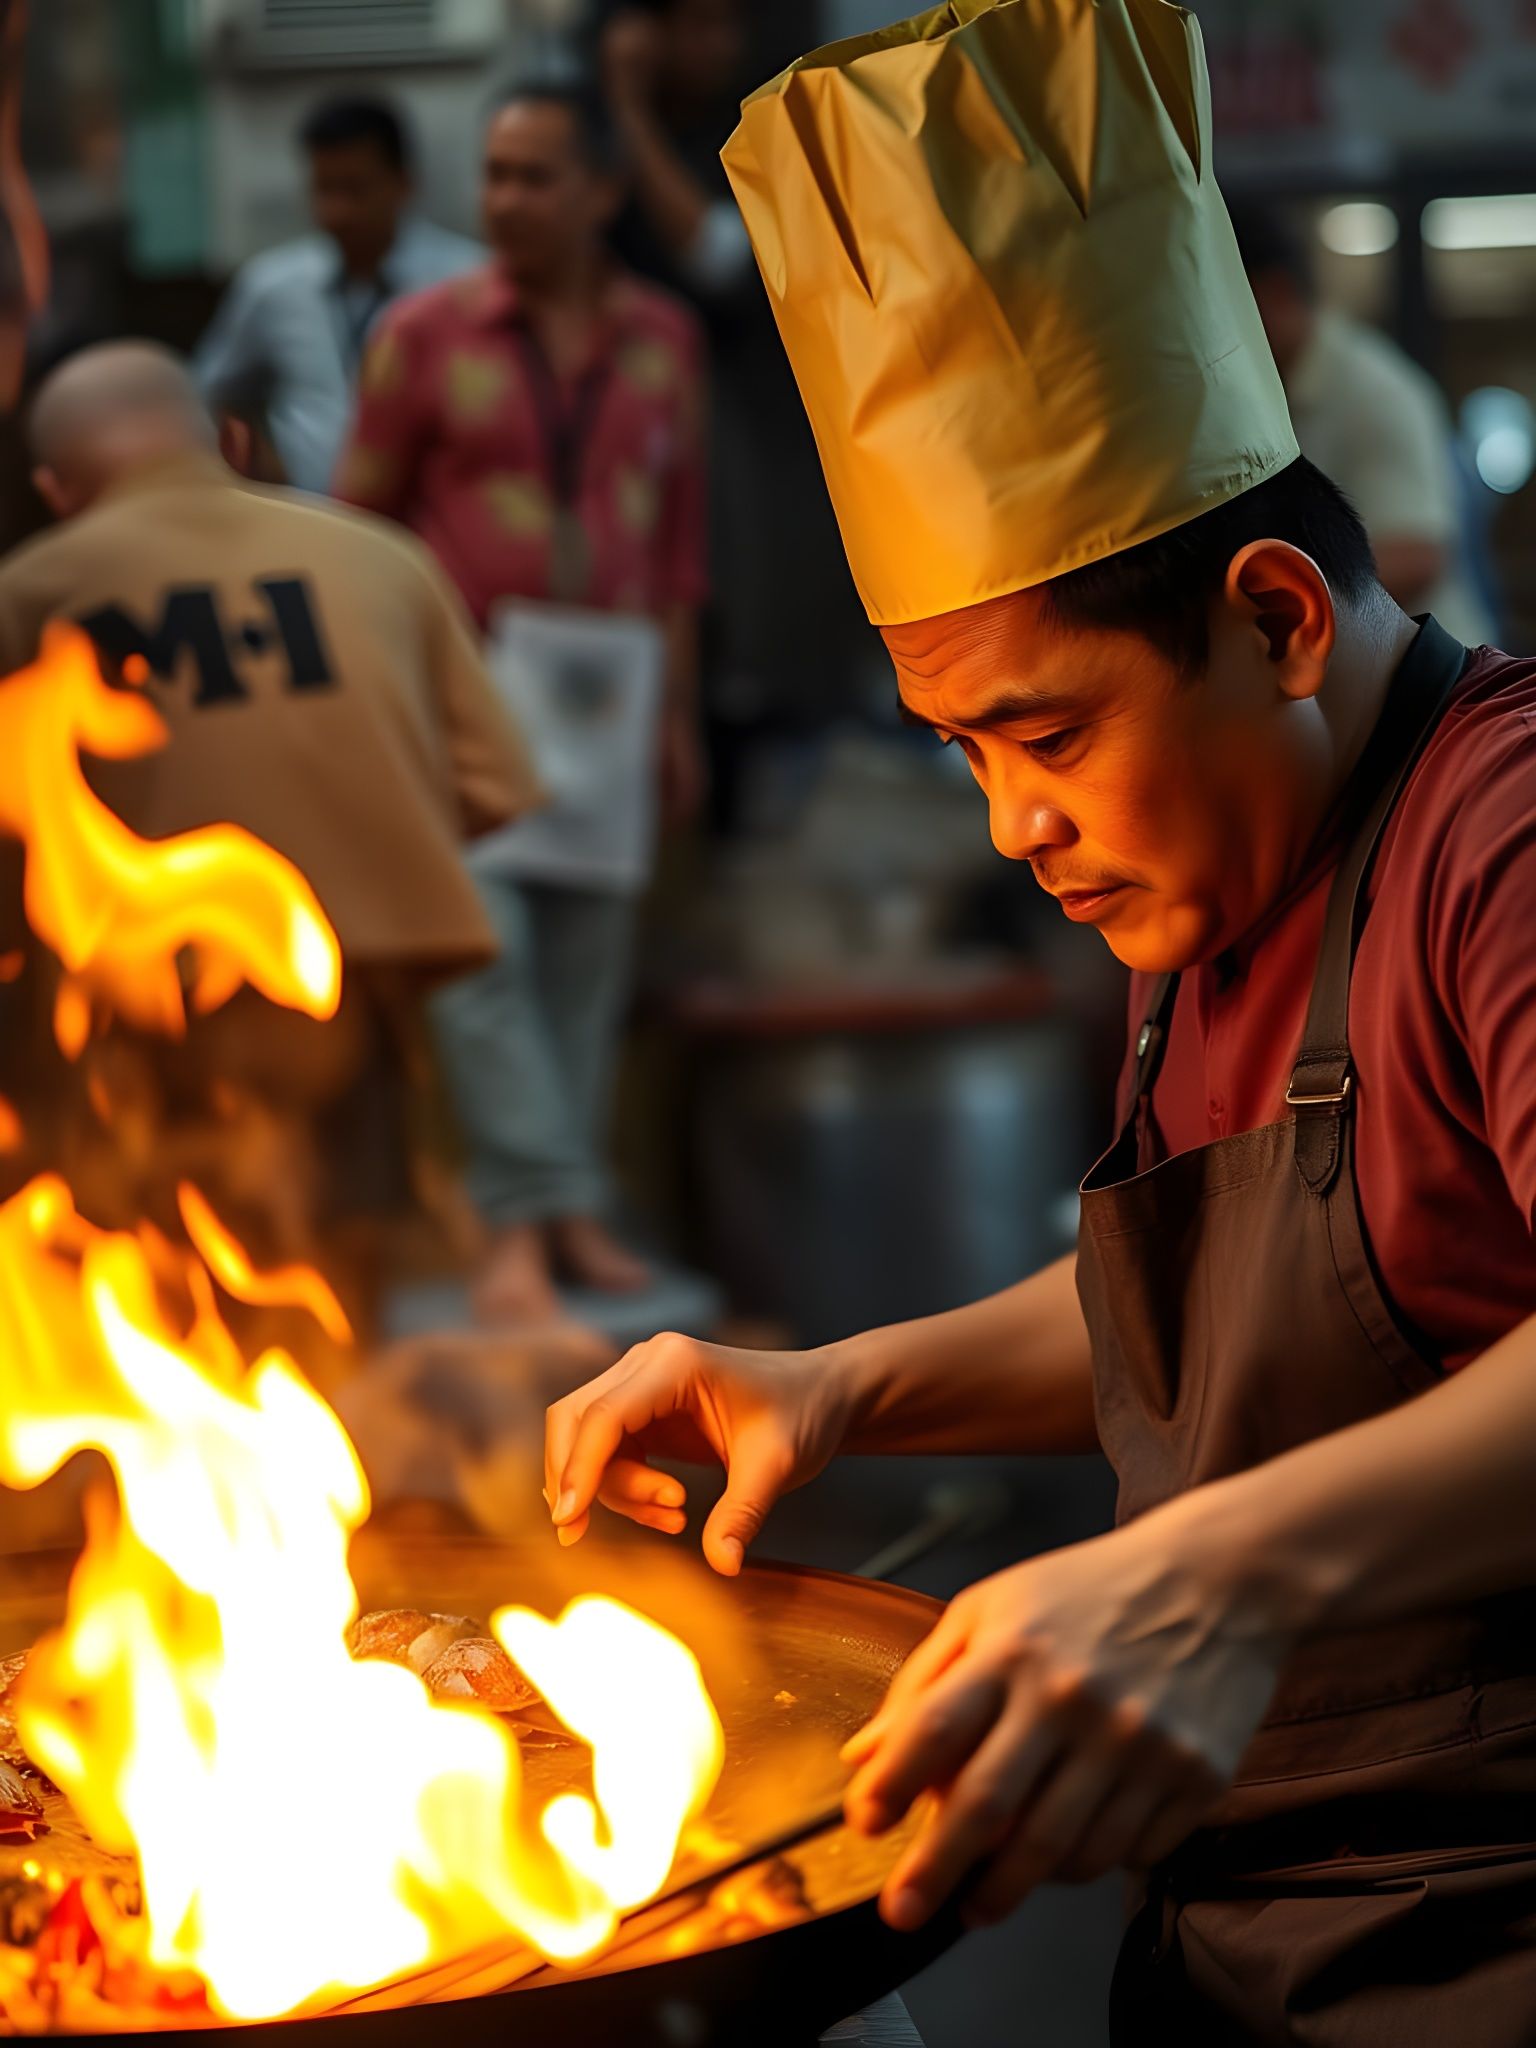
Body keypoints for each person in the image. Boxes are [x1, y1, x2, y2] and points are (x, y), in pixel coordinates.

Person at [540, 5, 1536, 2041]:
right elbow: (1236, 1322)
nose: (1019, 828)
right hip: (1246, 1930)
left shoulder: (1498, 829)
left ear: (1273, 618)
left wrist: (1209, 1577)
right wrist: (840, 1387)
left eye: (1048, 735)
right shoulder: (1219, 885)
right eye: (965, 753)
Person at [0, 342, 538, 1303]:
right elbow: (494, 785)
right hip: (356, 979)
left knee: (154, 1269)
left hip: (139, 994)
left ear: (54, 486)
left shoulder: (32, 589)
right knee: (339, 1269)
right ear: (233, 442)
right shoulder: (386, 559)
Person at [335, 84, 708, 1326]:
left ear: (603, 191)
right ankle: (526, 1219)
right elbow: (362, 531)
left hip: (608, 685)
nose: (504, 200)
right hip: (468, 686)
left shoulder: (662, 338)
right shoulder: (424, 331)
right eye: (493, 174)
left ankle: (564, 1218)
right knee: (481, 955)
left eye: (535, 176)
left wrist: (677, 716)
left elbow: (677, 547)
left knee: (584, 968)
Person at [1234, 201, 1496, 648]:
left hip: (1429, 687)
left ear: (1273, 293)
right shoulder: (1267, 388)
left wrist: (1270, 602)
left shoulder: (1370, 391)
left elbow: (1417, 555)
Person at [196, 97, 482, 495]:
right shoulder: (273, 286)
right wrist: (258, 462)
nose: (337, 211)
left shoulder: (467, 281)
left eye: (355, 189)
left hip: (429, 530)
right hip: (316, 528)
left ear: (403, 183)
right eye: (324, 188)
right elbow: (214, 391)